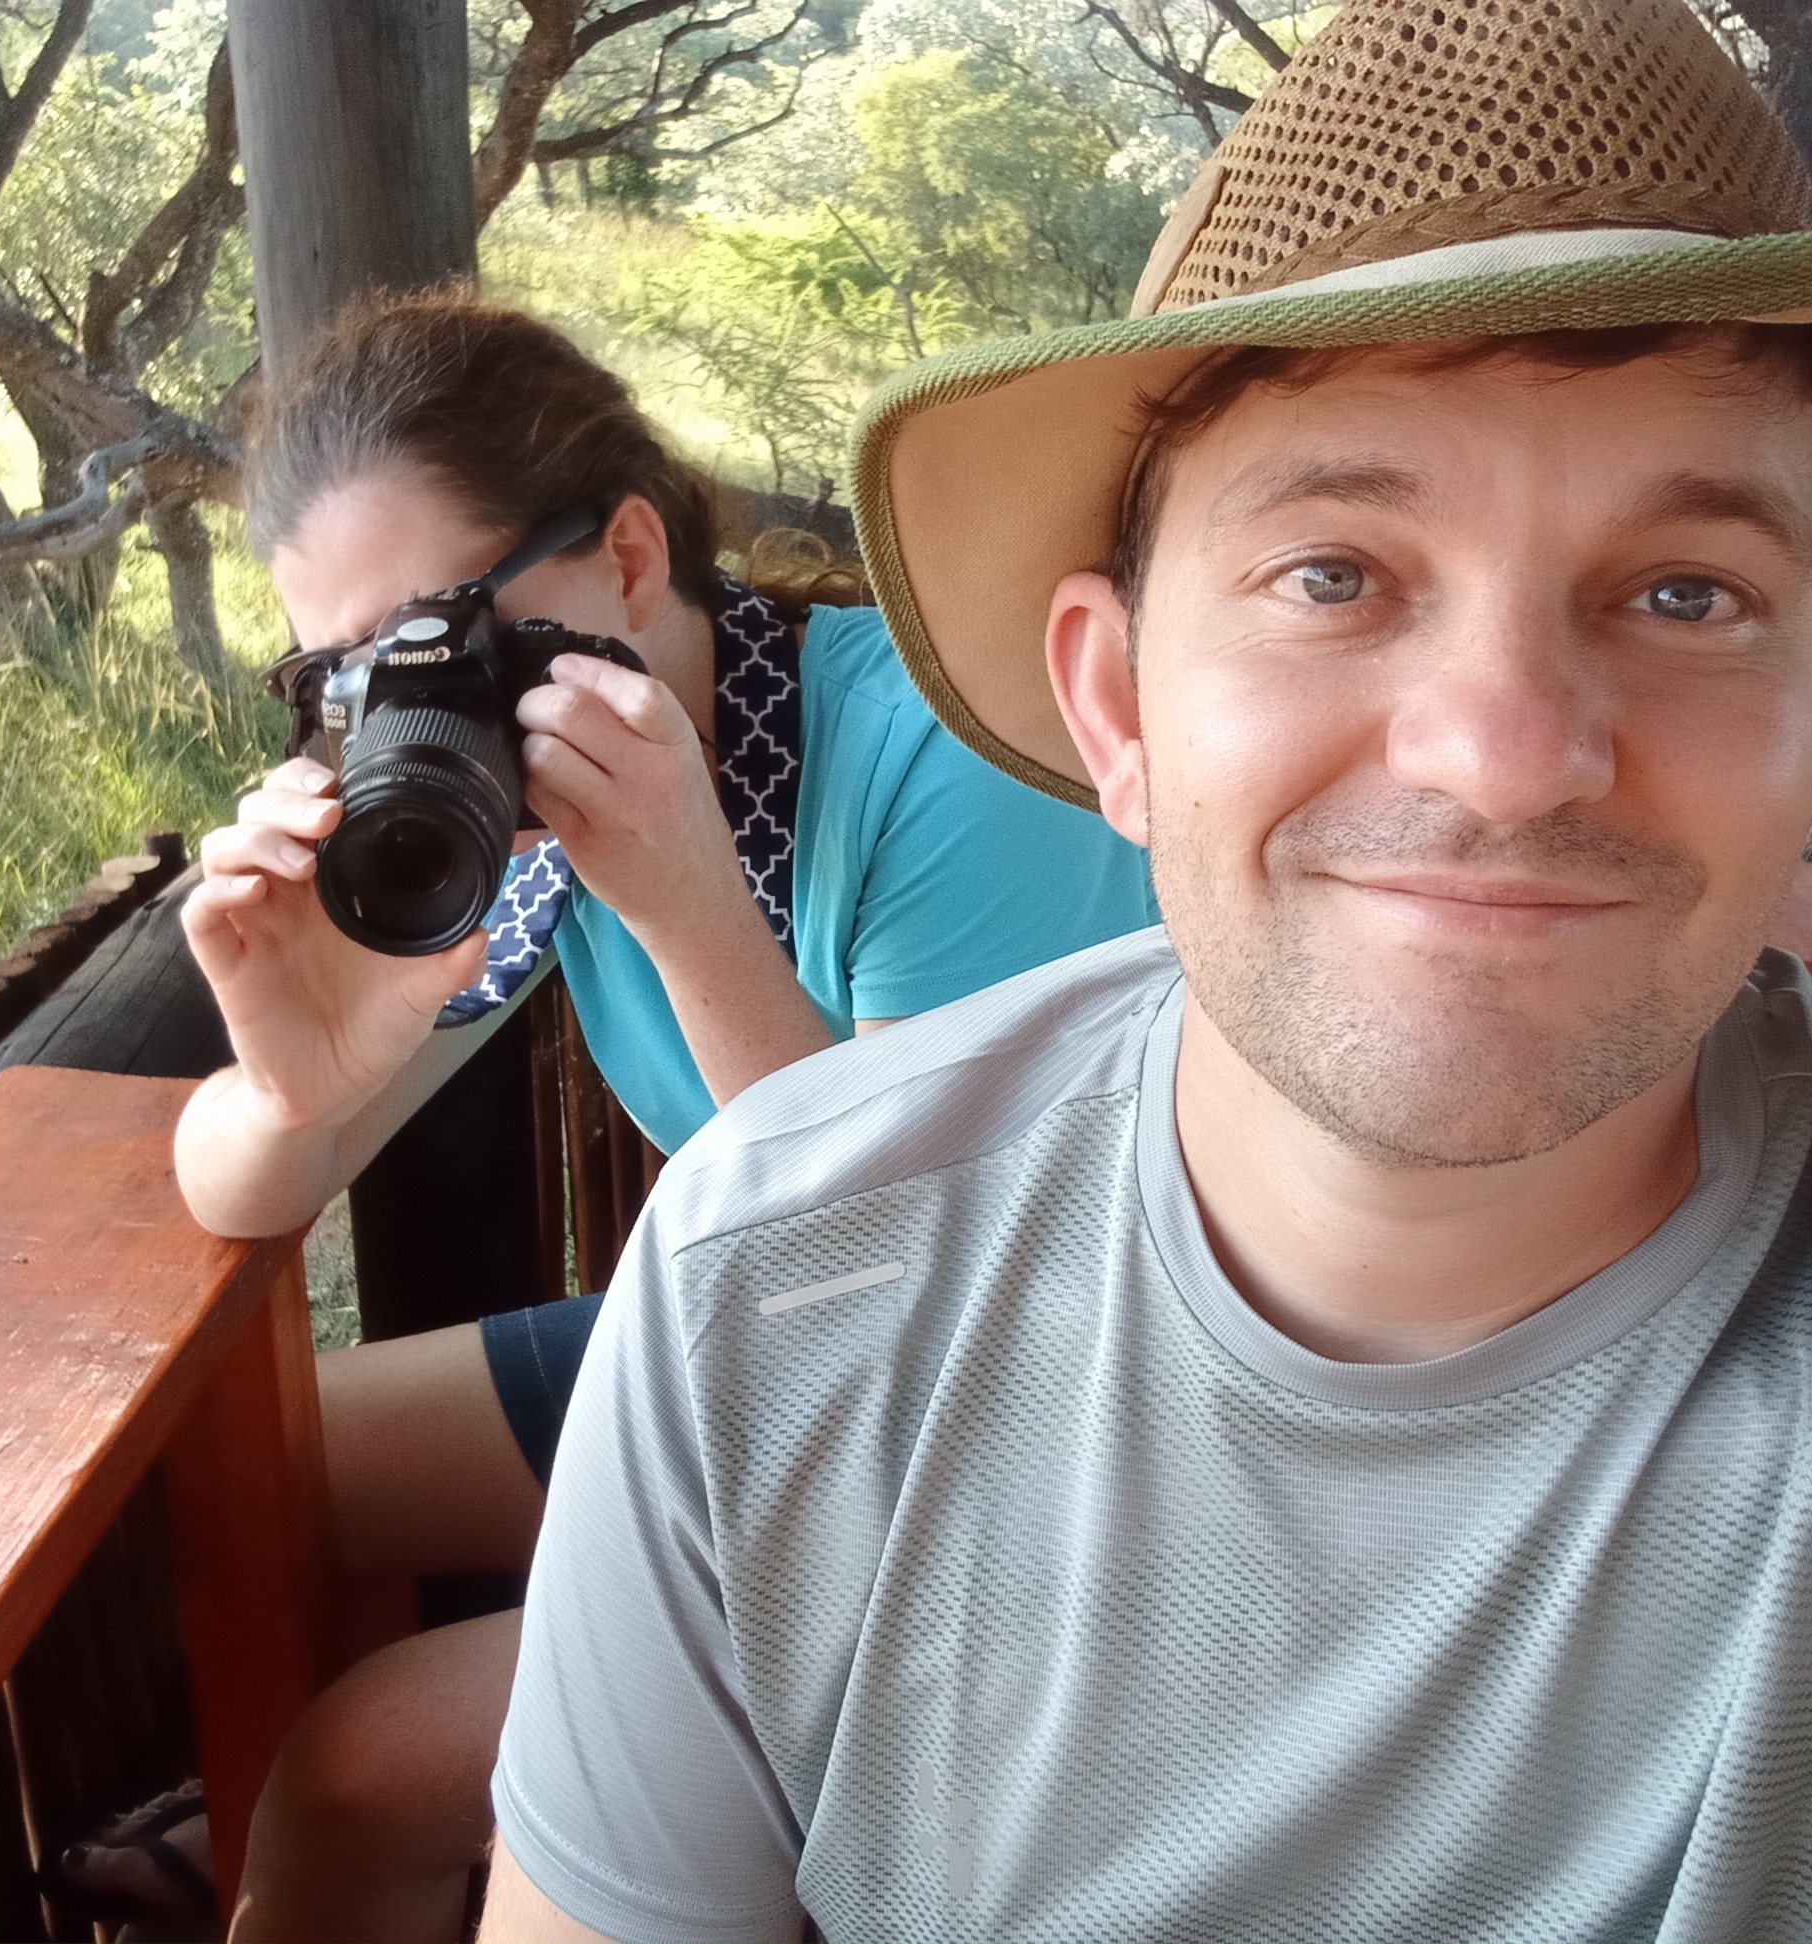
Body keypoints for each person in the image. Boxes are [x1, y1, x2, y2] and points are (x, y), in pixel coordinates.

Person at [477, 2, 1812, 1939]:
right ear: (1115, 705)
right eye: (1336, 576)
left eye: (1685, 594)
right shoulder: (763, 1310)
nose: (1508, 748)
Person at [159, 287, 1159, 1938]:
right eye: (346, 676)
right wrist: (295, 1082)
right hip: (760, 1361)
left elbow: (928, 1295)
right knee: (254, 1466)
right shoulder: (512, 821)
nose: (416, 704)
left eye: (442, 636)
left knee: (355, 1769)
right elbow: (243, 1189)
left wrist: (690, 901)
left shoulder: (936, 758)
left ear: (628, 560)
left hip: (1005, 1442)